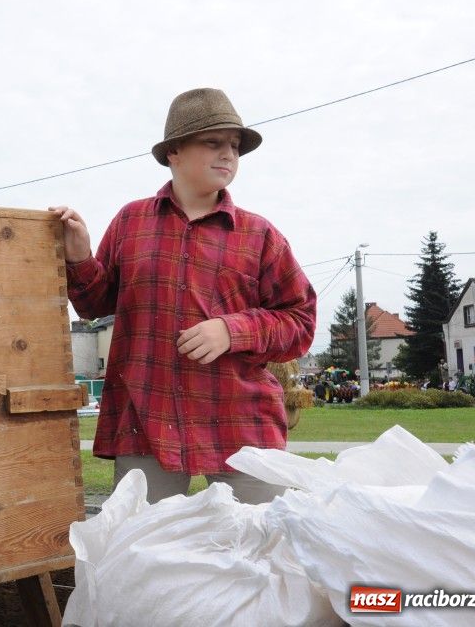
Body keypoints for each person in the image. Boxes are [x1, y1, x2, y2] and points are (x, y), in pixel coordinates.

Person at [51, 88, 316, 505]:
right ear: (174, 151)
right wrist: (81, 258)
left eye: (235, 146)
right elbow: (96, 305)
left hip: (241, 423)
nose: (228, 154)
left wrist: (232, 330)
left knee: (263, 539)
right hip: (148, 417)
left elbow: (300, 321)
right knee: (142, 539)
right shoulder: (131, 222)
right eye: (213, 142)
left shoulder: (260, 235)